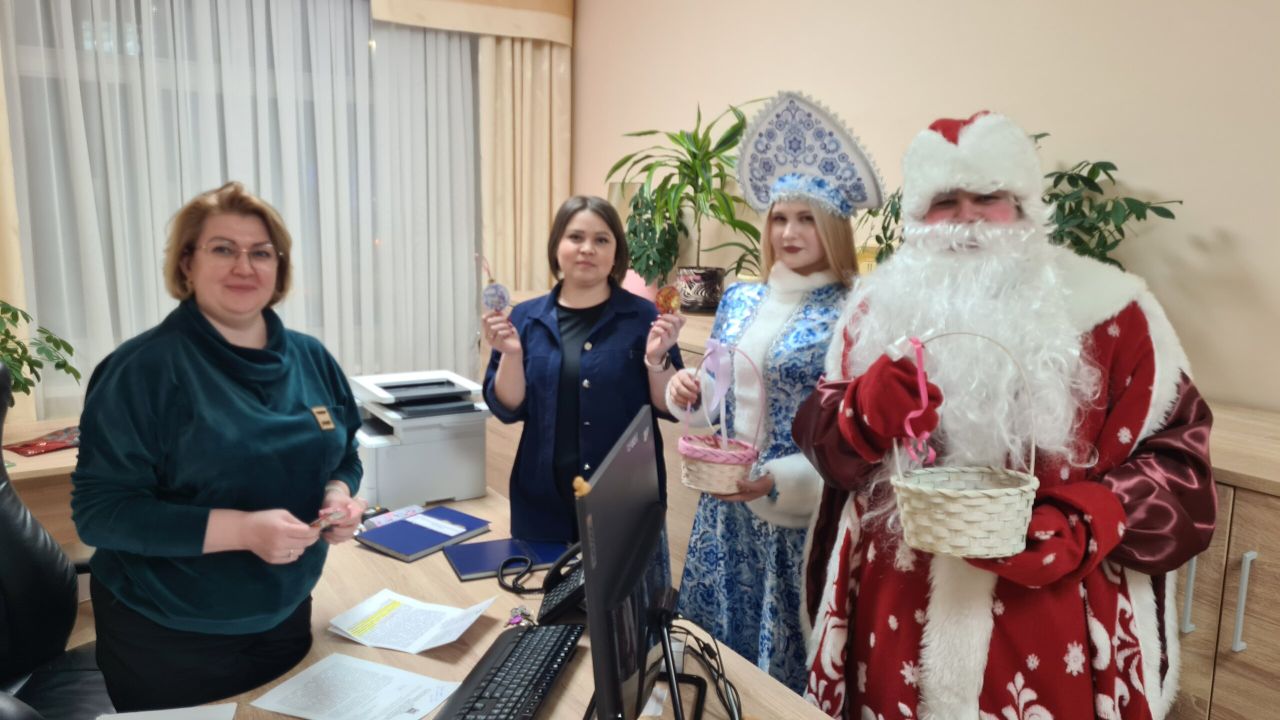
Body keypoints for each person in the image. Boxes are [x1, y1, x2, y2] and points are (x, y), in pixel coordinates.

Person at [795, 112, 1215, 719]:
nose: (966, 217)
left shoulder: (1116, 313)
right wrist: (860, 413)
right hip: (891, 627)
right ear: (917, 217)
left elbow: (1183, 470)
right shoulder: (873, 310)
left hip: (1053, 625)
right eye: (945, 201)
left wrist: (1087, 520)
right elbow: (823, 448)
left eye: (988, 196)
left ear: (1023, 207)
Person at [71, 182, 366, 711]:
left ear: (279, 268)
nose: (244, 267)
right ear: (188, 264)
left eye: (261, 253)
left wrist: (338, 495)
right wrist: (243, 531)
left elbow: (345, 452)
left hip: (286, 611)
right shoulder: (142, 370)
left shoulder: (311, 358)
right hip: (169, 635)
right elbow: (101, 515)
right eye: (223, 249)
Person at [666, 91, 884, 694]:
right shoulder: (741, 297)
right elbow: (718, 392)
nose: (789, 232)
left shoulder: (856, 311)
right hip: (723, 509)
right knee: (713, 667)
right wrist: (689, 393)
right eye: (779, 218)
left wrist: (783, 481)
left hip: (796, 522)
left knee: (779, 676)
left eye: (807, 218)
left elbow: (859, 432)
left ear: (833, 226)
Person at [482, 195, 684, 543]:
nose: (587, 249)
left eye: (601, 240)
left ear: (616, 253)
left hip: (625, 501)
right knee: (542, 580)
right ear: (556, 246)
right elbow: (508, 408)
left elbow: (669, 405)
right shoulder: (525, 317)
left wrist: (656, 359)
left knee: (627, 581)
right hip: (542, 501)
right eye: (576, 237)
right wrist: (512, 355)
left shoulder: (645, 318)